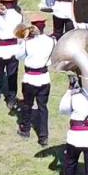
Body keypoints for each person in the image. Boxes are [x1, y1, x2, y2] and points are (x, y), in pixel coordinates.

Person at [17, 15, 55, 144]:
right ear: (44, 26)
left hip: (29, 79)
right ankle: (43, 136)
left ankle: (25, 129)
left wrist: (22, 42)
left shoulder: (27, 42)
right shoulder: (51, 41)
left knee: (27, 105)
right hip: (44, 79)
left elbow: (18, 56)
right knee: (43, 107)